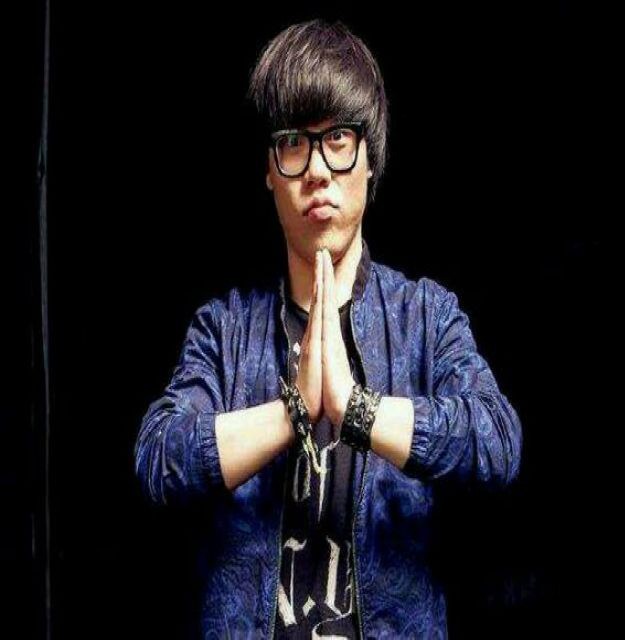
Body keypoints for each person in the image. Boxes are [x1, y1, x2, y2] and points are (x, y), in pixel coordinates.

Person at [134, 18, 522, 639]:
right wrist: (292, 414)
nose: (317, 169)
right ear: (270, 170)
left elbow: (497, 442)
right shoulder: (223, 329)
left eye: (338, 137)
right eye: (294, 142)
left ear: (370, 160)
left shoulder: (426, 316)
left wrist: (356, 410)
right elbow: (159, 459)